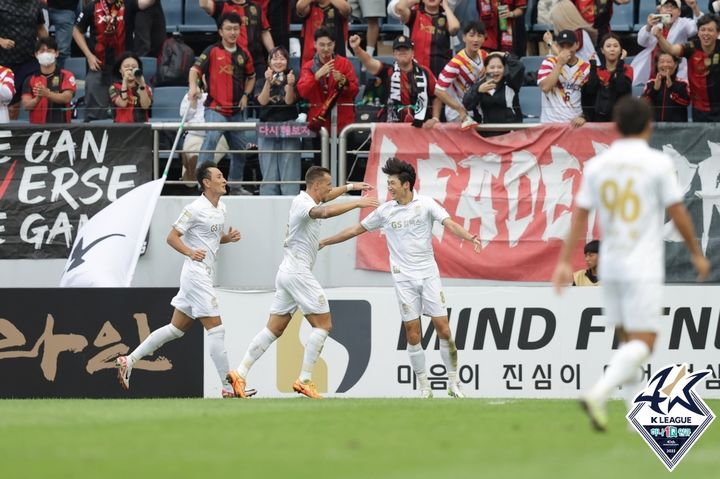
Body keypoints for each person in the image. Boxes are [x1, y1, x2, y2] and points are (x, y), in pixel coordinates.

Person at [551, 96, 710, 431]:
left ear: (617, 126)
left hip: (612, 263)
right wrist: (696, 253)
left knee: (626, 340)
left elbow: (579, 215)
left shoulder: (599, 165)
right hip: (643, 263)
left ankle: (631, 411)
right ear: (649, 125)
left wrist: (565, 261)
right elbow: (678, 212)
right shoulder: (656, 163)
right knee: (644, 342)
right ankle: (599, 392)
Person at [320, 158, 483, 398]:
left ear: (406, 184)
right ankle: (424, 387)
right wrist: (325, 241)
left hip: (428, 275)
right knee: (413, 333)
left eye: (392, 183)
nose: (389, 187)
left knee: (444, 330)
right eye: (388, 183)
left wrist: (469, 237)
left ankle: (453, 382)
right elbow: (355, 230)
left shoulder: (426, 204)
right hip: (403, 278)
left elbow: (448, 223)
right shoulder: (385, 210)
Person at [226, 167, 379, 399]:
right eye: (328, 184)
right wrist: (356, 204)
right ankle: (304, 380)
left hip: (287, 271)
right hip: (298, 272)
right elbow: (323, 212)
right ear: (316, 186)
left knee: (273, 329)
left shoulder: (307, 198)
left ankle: (240, 372)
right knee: (323, 326)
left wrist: (350, 188)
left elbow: (326, 197)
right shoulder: (304, 204)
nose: (330, 188)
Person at [115, 163, 245, 398]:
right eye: (219, 176)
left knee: (176, 329)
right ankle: (229, 388)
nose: (224, 179)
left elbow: (210, 240)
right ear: (206, 183)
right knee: (217, 329)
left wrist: (227, 238)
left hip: (204, 273)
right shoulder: (194, 208)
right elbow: (172, 237)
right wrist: (189, 252)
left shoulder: (222, 208)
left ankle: (129, 359)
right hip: (195, 274)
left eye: (223, 176)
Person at [190, 12, 256, 194]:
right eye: (228, 28)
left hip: (236, 111)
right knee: (210, 142)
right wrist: (192, 88)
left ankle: (234, 186)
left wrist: (245, 95)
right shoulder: (211, 51)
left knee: (240, 151)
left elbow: (252, 77)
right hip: (215, 108)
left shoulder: (244, 54)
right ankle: (202, 186)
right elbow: (194, 70)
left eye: (236, 28)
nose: (233, 32)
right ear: (220, 31)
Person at [349, 34, 442, 127]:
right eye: (398, 49)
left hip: (422, 127)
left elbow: (437, 95)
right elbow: (369, 61)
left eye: (406, 49)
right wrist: (357, 49)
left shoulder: (425, 72)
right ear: (393, 54)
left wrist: (435, 118)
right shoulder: (388, 71)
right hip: (393, 128)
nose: (402, 52)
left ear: (413, 52)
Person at [653, 13, 720, 122]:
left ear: (717, 33)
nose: (706, 33)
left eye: (710, 30)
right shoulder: (691, 47)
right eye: (703, 30)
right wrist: (659, 36)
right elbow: (671, 49)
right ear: (698, 32)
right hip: (699, 109)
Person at [73, 0, 129, 121]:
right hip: (98, 64)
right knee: (95, 114)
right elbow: (76, 31)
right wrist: (88, 55)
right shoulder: (92, 6)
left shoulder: (127, 4)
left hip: (121, 67)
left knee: (123, 112)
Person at [256, 46, 301, 196]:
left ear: (287, 61)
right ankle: (268, 201)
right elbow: (262, 102)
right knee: (268, 169)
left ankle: (291, 201)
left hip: (288, 124)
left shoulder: (293, 77)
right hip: (266, 125)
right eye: (275, 58)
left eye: (282, 58)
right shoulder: (261, 80)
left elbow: (289, 101)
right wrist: (268, 82)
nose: (278, 61)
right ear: (269, 61)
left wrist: (290, 85)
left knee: (290, 168)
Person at [297, 27, 358, 134]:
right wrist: (317, 76)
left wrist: (344, 80)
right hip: (318, 122)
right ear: (315, 44)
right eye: (322, 45)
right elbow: (303, 92)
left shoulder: (344, 64)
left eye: (329, 44)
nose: (326, 48)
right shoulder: (308, 66)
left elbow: (354, 91)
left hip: (342, 122)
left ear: (334, 44)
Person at [630, 0, 701, 87]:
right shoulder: (655, 24)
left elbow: (697, 28)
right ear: (660, 10)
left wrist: (694, 8)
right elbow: (642, 42)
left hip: (675, 68)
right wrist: (648, 26)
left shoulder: (683, 23)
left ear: (679, 12)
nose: (669, 10)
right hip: (653, 66)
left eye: (673, 7)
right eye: (666, 6)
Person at [200, 0, 275, 78]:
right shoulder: (222, 6)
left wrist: (273, 53)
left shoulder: (256, 7)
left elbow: (265, 33)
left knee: (259, 88)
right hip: (231, 62)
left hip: (256, 61)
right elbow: (204, 5)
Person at [434, 21, 489, 128]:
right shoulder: (455, 63)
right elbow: (438, 90)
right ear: (464, 38)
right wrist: (459, 109)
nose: (476, 40)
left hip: (477, 110)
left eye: (479, 36)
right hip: (458, 115)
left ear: (484, 39)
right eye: (471, 35)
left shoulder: (484, 55)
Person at [0, 0, 48, 120]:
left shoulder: (35, 5)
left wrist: (48, 47)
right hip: (6, 62)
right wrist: (1, 41)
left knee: (34, 100)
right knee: (10, 107)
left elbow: (41, 28)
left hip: (30, 60)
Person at [537, 29, 590, 126]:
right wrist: (559, 64)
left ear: (577, 45)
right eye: (562, 46)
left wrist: (584, 116)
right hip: (550, 123)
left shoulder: (586, 68)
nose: (566, 50)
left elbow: (590, 98)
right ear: (557, 46)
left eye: (569, 46)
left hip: (575, 125)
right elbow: (545, 87)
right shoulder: (549, 63)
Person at [396, 0, 460, 79]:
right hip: (417, 73)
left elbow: (455, 28)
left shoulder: (445, 19)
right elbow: (400, 7)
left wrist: (446, 7)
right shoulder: (415, 15)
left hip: (440, 74)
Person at [21, 37, 76, 124]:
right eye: (42, 51)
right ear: (36, 55)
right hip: (36, 130)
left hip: (61, 128)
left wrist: (47, 94)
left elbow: (67, 97)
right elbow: (26, 106)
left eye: (49, 50)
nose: (45, 53)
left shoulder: (66, 75)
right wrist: (38, 98)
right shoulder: (30, 79)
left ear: (56, 53)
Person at [179, 90, 230, 183]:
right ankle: (196, 168)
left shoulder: (222, 95)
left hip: (217, 135)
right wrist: (193, 101)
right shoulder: (189, 95)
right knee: (192, 151)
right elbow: (184, 116)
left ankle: (198, 170)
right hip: (194, 134)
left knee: (211, 152)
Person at [581, 33, 632, 122]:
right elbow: (590, 90)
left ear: (621, 50)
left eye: (616, 46)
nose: (612, 49)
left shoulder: (627, 69)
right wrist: (593, 67)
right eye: (608, 46)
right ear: (602, 50)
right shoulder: (595, 70)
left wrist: (621, 63)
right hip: (597, 121)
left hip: (619, 121)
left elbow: (621, 88)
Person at [463, 51, 524, 125]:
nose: (496, 70)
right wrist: (478, 91)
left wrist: (504, 55)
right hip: (486, 132)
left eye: (499, 67)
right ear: (485, 69)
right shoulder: (479, 86)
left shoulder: (511, 82)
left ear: (504, 68)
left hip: (510, 132)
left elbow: (520, 66)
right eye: (492, 67)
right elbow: (467, 105)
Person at [296, 0, 351, 67]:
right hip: (311, 58)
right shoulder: (310, 6)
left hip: (336, 55)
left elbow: (346, 9)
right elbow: (300, 6)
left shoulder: (338, 5)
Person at [641, 51, 690, 122]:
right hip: (655, 128)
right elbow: (642, 104)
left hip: (677, 129)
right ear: (657, 65)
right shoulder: (650, 83)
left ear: (675, 64)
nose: (665, 65)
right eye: (661, 62)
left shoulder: (683, 83)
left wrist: (671, 87)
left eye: (669, 62)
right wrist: (654, 90)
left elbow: (686, 102)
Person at [109, 51, 153, 123]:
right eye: (126, 67)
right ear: (120, 70)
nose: (130, 69)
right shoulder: (114, 87)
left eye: (134, 67)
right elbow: (123, 104)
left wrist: (142, 84)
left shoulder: (146, 87)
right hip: (121, 127)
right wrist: (125, 82)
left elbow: (145, 106)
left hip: (141, 127)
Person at [47, 0, 80, 68]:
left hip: (65, 8)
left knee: (62, 53)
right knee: (38, 48)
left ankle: (60, 76)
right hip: (43, 6)